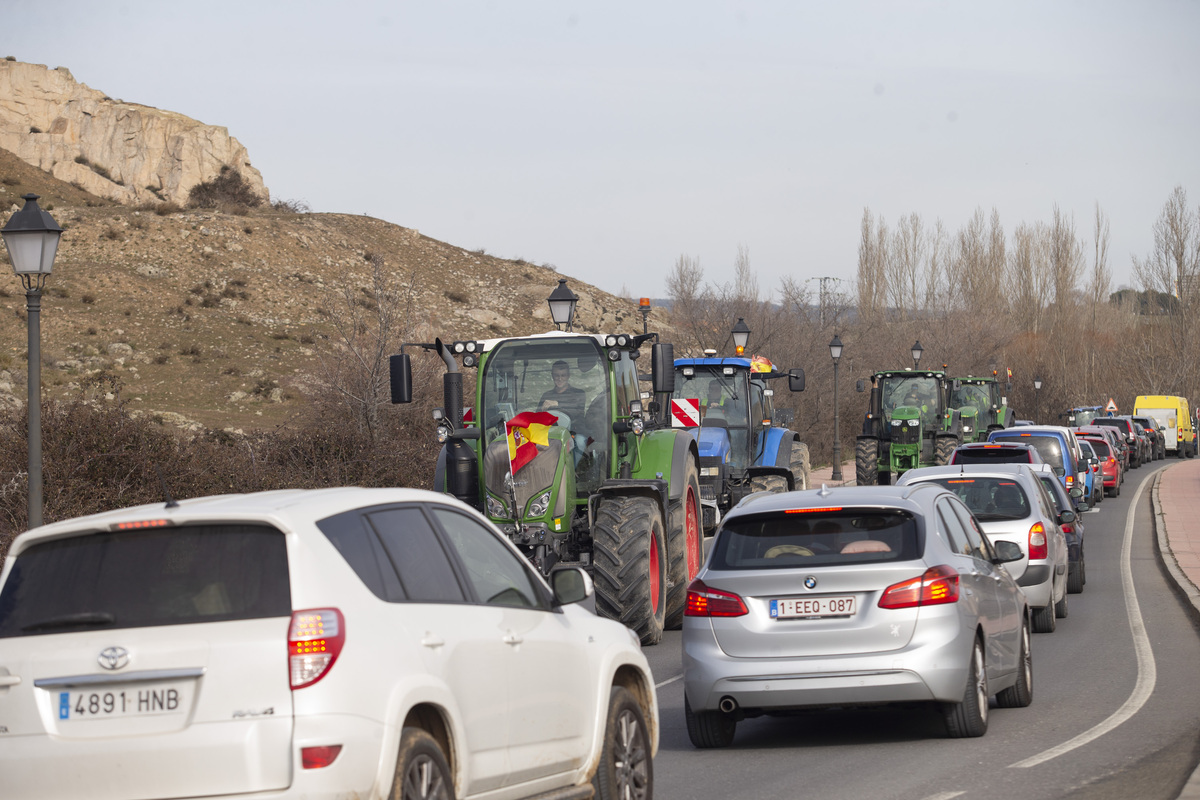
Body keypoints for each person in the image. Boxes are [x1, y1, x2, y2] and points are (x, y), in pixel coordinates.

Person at [538, 360, 586, 425]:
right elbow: (537, 417)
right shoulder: (546, 396)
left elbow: (576, 411)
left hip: (574, 431)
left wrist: (558, 404)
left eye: (563, 375)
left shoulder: (579, 393)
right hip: (549, 430)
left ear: (568, 376)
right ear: (552, 376)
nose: (560, 379)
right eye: (556, 375)